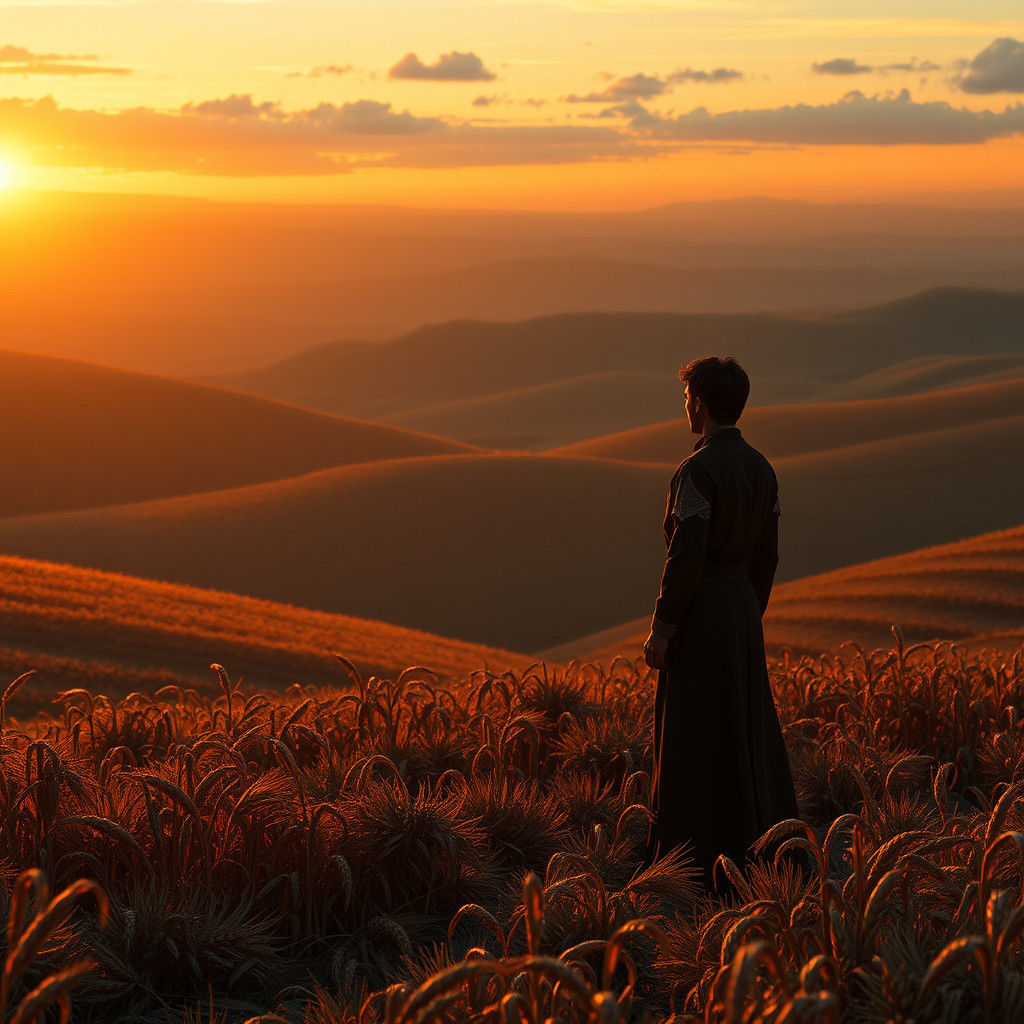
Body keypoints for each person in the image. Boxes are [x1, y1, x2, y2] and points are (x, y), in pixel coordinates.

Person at [642, 355, 799, 891]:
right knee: (745, 723)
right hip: (741, 610)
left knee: (692, 728)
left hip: (704, 611)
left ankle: (691, 857)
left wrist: (663, 628)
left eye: (687, 398)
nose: (685, 407)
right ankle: (763, 845)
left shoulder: (696, 471)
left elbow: (685, 557)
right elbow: (769, 555)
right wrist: (750, 608)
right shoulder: (762, 469)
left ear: (700, 404)